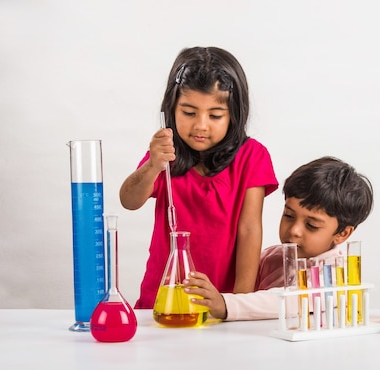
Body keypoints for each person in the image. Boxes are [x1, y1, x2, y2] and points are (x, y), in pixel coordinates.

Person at [119, 47, 278, 309]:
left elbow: (249, 229)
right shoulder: (165, 154)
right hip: (163, 302)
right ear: (172, 108)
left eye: (215, 115)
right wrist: (152, 165)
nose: (201, 125)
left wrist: (238, 303)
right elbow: (129, 200)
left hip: (221, 303)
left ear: (234, 114)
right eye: (189, 112)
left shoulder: (252, 156)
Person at [182, 156, 374, 320]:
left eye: (312, 225)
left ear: (342, 233)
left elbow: (290, 300)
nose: (295, 230)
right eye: (289, 215)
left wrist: (225, 304)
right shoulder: (271, 257)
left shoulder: (335, 272)